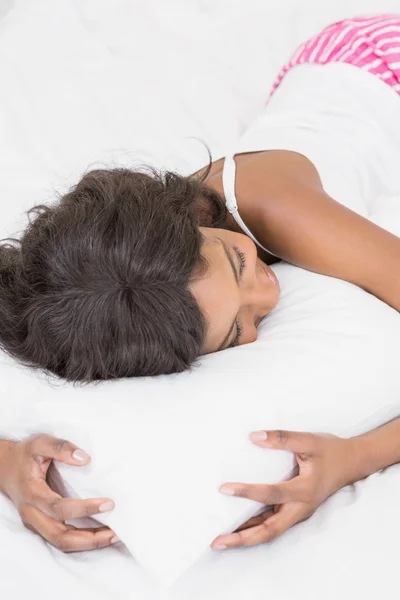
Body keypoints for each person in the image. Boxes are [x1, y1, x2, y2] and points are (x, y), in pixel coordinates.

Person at [1, 14, 400, 552]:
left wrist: (357, 457)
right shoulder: (114, 302)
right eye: (239, 328)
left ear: (194, 220)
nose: (269, 294)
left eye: (238, 265)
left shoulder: (277, 207)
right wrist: (9, 463)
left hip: (376, 62)